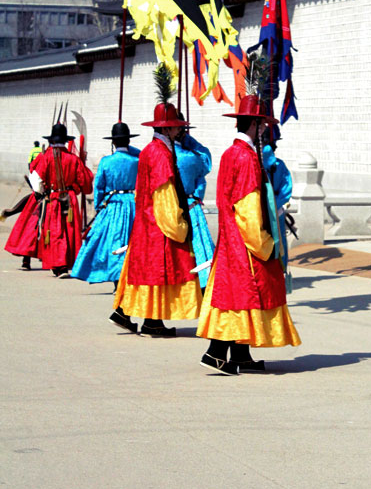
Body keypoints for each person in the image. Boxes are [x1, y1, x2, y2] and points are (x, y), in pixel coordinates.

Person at [196, 94, 301, 375]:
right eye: (264, 126)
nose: (266, 132)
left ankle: (239, 354)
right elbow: (248, 208)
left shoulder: (232, 153)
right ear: (254, 125)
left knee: (235, 295)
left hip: (230, 238)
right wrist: (264, 244)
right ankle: (216, 352)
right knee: (244, 295)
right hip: (244, 239)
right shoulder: (246, 158)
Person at [111, 78, 201, 338]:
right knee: (158, 272)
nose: (178, 132)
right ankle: (141, 316)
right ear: (170, 128)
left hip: (145, 221)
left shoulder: (150, 149)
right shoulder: (161, 153)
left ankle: (144, 317)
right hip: (158, 223)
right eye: (176, 128)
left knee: (144, 271)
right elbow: (164, 194)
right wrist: (178, 225)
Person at [71, 122, 140, 291]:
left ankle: (116, 278)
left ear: (113, 142)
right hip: (133, 203)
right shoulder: (137, 160)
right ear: (129, 142)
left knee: (112, 240)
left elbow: (99, 186)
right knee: (132, 240)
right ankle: (128, 277)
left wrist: (99, 205)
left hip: (113, 203)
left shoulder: (106, 162)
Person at [28, 120, 93, 277]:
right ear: (65, 141)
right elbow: (85, 183)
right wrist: (75, 189)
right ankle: (68, 263)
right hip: (69, 198)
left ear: (52, 140)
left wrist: (42, 191)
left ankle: (59, 265)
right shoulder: (73, 159)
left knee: (56, 231)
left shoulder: (46, 157)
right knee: (69, 230)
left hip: (54, 197)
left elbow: (36, 179)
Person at [174, 118, 215, 291]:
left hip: (167, 206)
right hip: (190, 204)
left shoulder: (157, 155)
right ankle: (203, 283)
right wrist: (189, 141)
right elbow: (206, 164)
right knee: (199, 246)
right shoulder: (190, 157)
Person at [262, 139, 294, 292]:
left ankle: (275, 273)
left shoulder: (265, 164)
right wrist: (278, 205)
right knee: (279, 242)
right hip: (275, 209)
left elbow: (286, 187)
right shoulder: (278, 164)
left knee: (274, 241)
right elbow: (286, 188)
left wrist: (275, 205)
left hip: (267, 209)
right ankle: (280, 272)